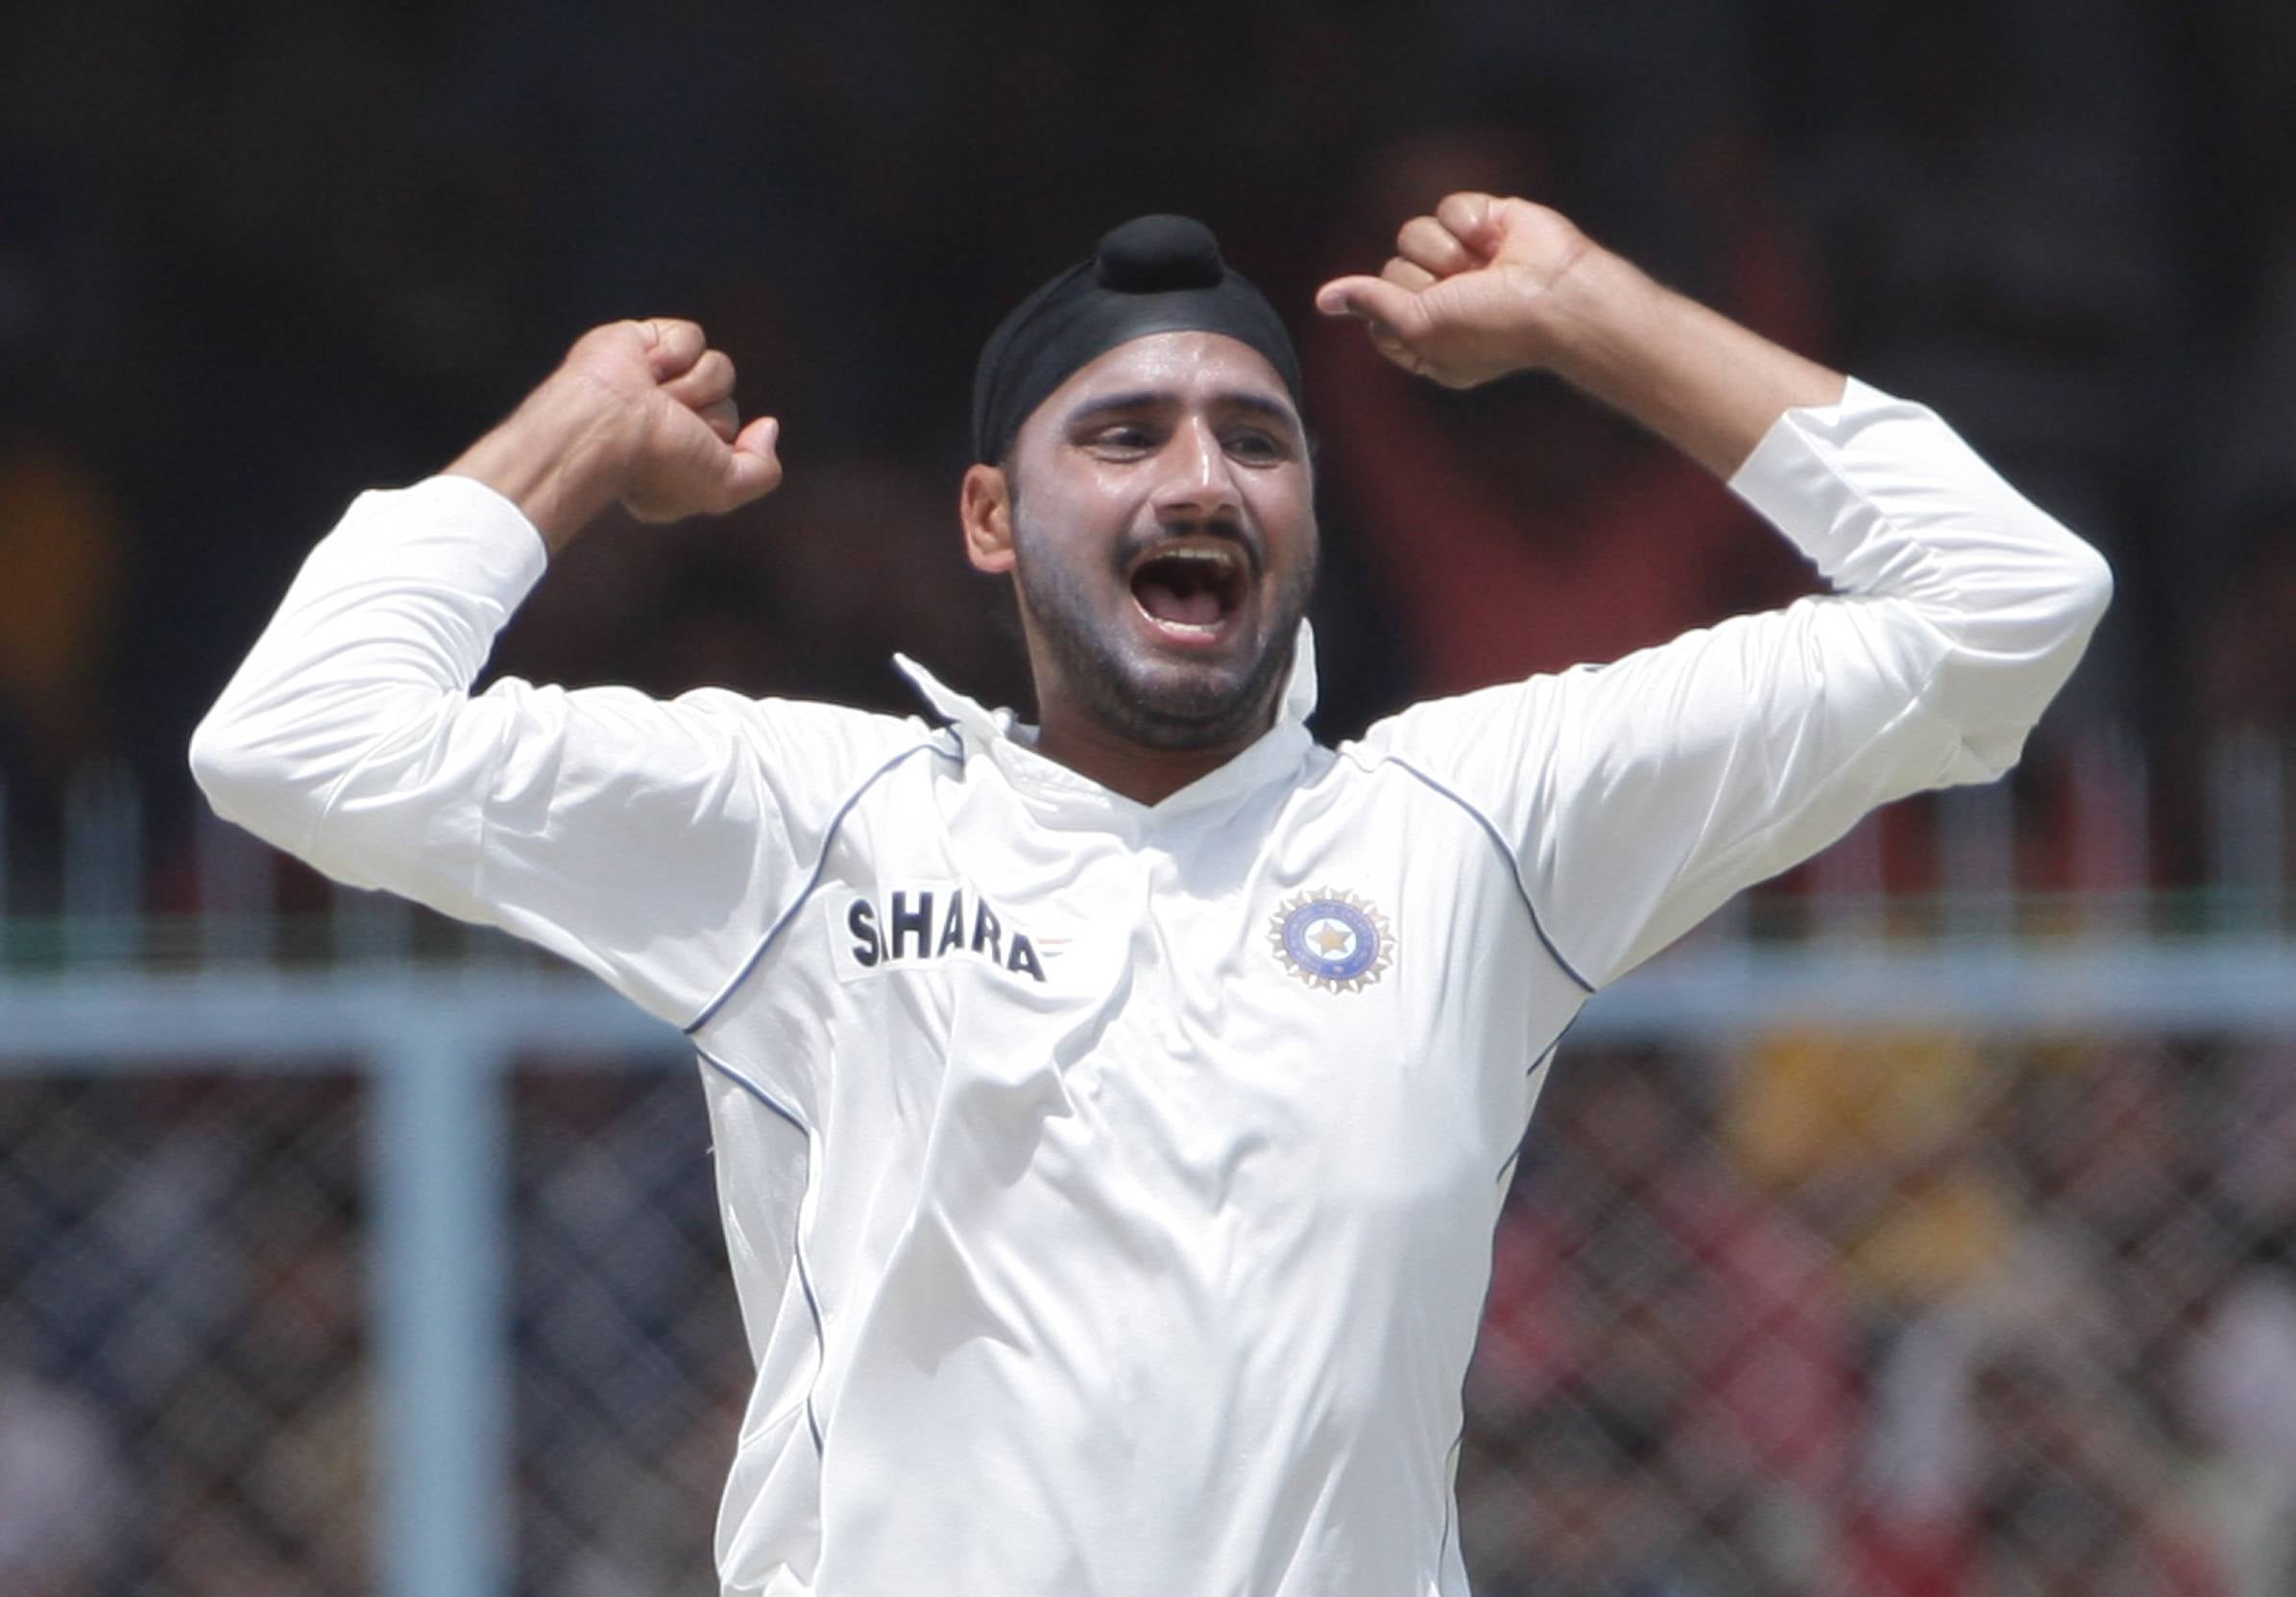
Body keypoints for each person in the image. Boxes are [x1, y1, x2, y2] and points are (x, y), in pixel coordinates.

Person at [189, 194, 2111, 1596]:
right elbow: (292, 738)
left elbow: (2005, 604)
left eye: (1253, 438)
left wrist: (1602, 319)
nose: (1200, 472)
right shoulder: (812, 821)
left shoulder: (1464, 824)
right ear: (984, 520)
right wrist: (575, 442)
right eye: (1121, 435)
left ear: (1305, 519)